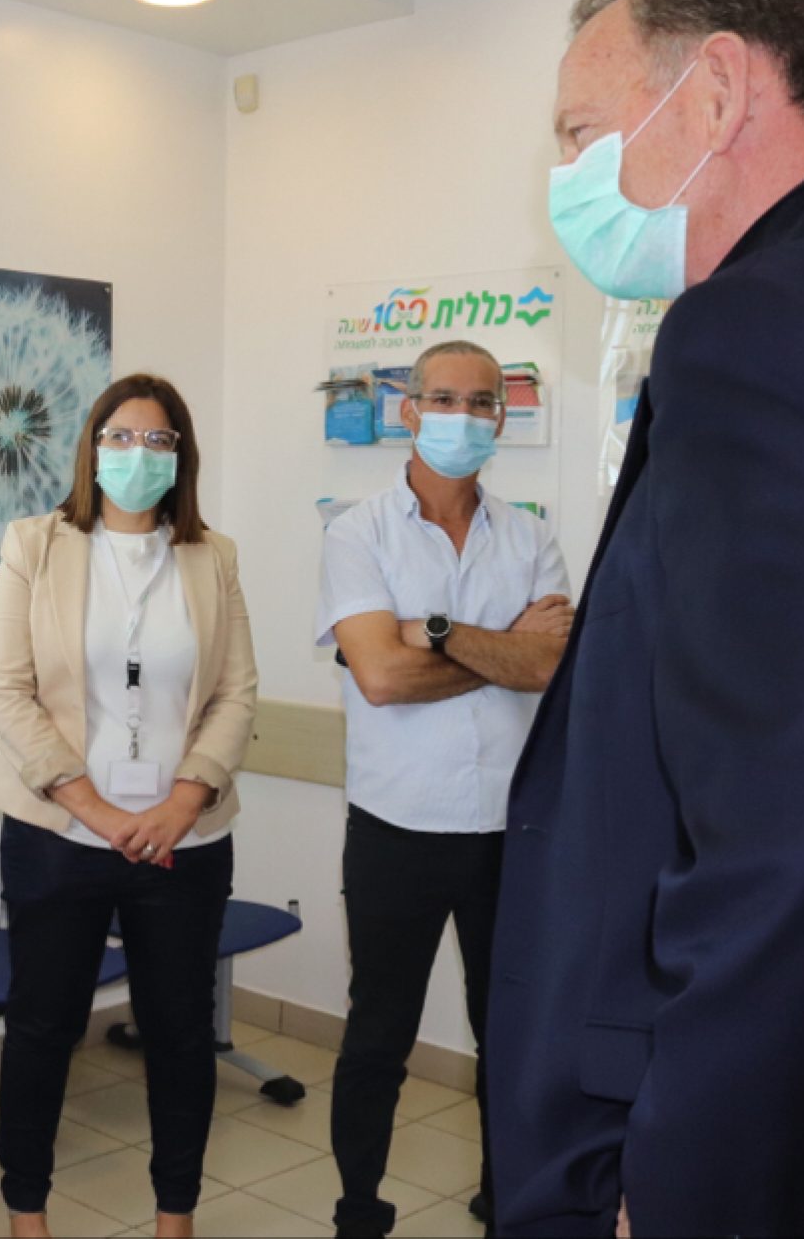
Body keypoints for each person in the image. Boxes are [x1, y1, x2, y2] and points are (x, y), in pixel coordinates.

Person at [491, 0, 804, 1238]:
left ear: (720, 90)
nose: (569, 183)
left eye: (583, 136)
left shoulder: (768, 322)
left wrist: (696, 1188)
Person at [0, 373, 258, 1239]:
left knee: (181, 1036)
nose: (141, 454)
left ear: (182, 457)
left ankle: (176, 1216)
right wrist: (95, 811)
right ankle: (27, 1214)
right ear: (93, 449)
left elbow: (237, 693)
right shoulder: (35, 546)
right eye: (123, 437)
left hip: (184, 841)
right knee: (43, 1029)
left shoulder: (212, 557)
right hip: (59, 836)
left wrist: (184, 800)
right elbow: (7, 691)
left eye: (160, 440)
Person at [316, 341, 573, 1238]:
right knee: (378, 1035)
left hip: (512, 832)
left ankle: (507, 1201)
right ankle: (359, 1210)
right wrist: (499, 644)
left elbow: (550, 667)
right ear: (410, 410)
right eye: (444, 399)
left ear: (501, 416)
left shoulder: (530, 537)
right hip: (396, 829)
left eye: (481, 401)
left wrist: (435, 632)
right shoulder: (358, 533)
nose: (462, 416)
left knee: (511, 1035)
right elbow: (381, 677)